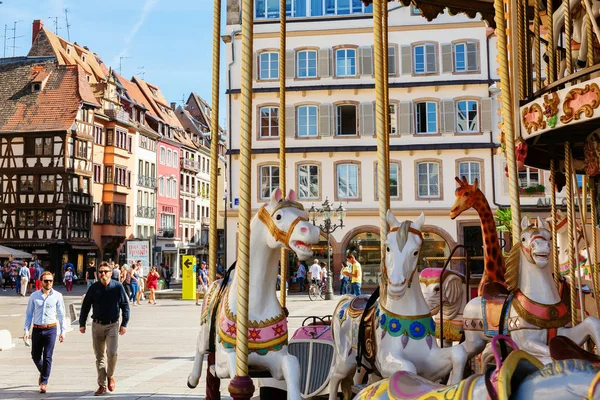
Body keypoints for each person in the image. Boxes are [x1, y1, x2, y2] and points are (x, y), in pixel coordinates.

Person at [79, 261, 130, 396]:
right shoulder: (94, 288)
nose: (103, 274)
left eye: (106, 271)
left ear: (111, 273)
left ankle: (110, 376)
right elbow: (86, 306)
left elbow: (125, 305)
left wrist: (124, 323)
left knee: (112, 353)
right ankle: (102, 385)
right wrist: (82, 323)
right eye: (101, 272)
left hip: (113, 324)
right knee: (99, 356)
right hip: (96, 325)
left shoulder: (118, 287)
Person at [23, 270, 66, 393]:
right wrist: (26, 331)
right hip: (37, 329)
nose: (48, 283)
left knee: (47, 356)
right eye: (46, 280)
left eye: (50, 280)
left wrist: (63, 332)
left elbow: (62, 315)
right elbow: (29, 315)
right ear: (41, 282)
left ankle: (44, 382)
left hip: (51, 329)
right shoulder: (34, 296)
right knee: (35, 356)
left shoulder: (58, 296)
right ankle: (44, 373)